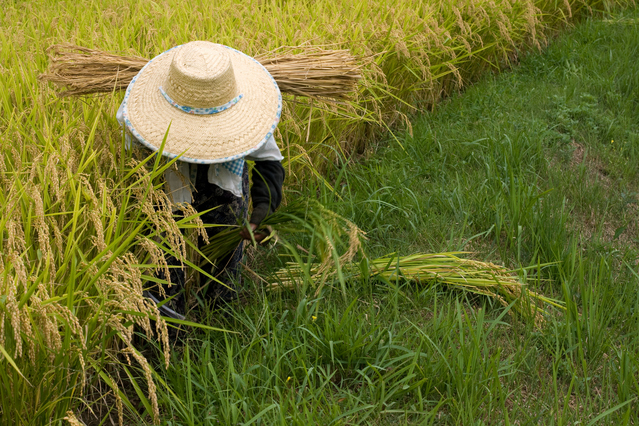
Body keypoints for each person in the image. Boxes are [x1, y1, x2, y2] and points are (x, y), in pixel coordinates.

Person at [116, 41, 285, 317]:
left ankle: (219, 325)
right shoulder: (137, 115)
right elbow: (134, 162)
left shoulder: (246, 115)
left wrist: (261, 213)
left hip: (224, 187)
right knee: (164, 269)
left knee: (224, 267)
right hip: (167, 187)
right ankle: (169, 331)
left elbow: (270, 162)